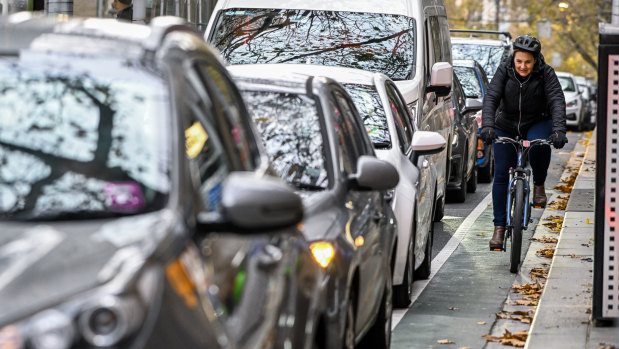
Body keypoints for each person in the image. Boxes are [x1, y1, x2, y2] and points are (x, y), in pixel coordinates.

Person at [480, 34, 568, 250]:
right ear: (514, 58)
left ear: (536, 60)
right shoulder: (504, 70)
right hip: (506, 123)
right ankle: (499, 228)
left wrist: (558, 130)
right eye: (519, 61)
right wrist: (488, 126)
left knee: (539, 144)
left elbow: (556, 99)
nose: (523, 66)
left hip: (536, 120)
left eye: (528, 62)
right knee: (501, 173)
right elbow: (491, 98)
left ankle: (538, 184)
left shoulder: (546, 73)